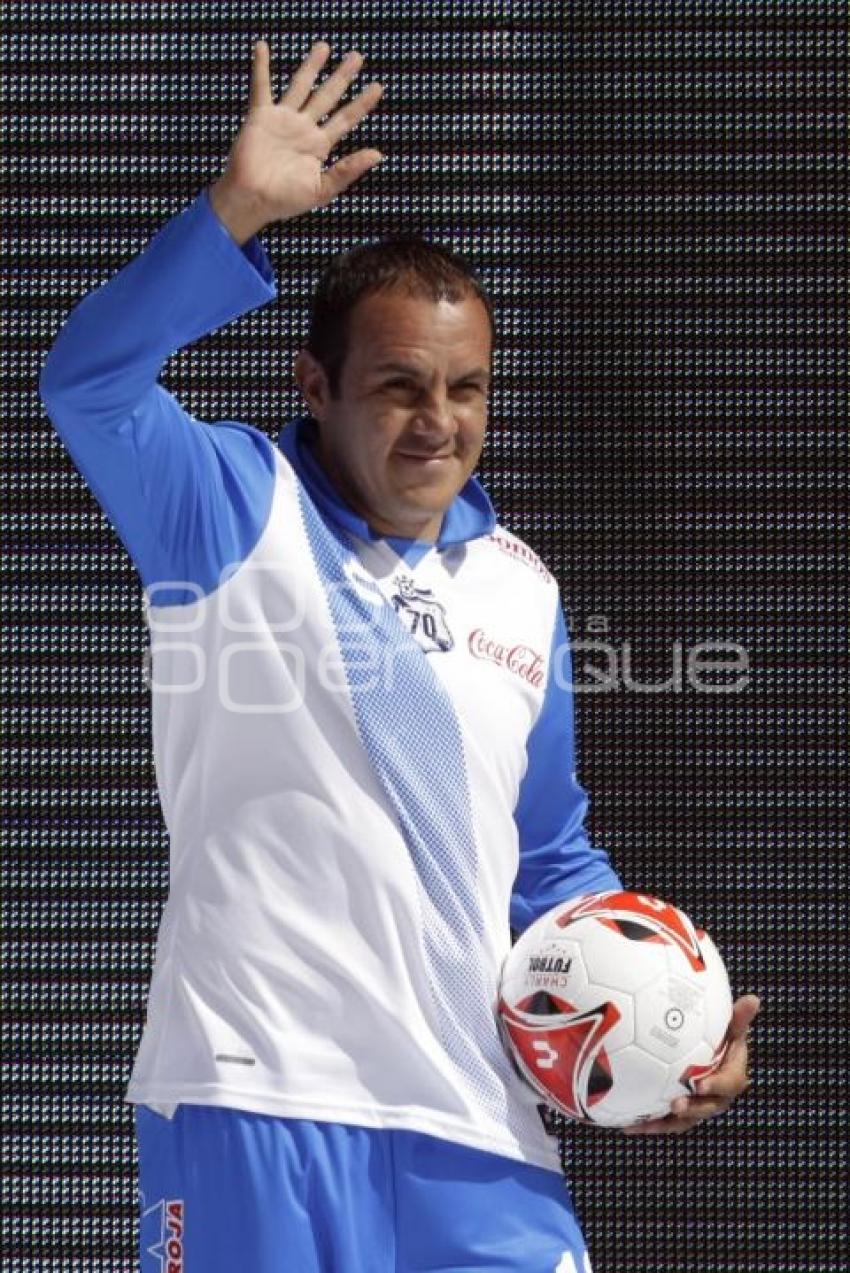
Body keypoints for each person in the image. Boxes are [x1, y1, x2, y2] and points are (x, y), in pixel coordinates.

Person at [39, 39, 759, 1273]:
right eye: (399, 386)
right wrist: (234, 214)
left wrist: (665, 1033)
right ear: (313, 384)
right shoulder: (227, 506)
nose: (440, 422)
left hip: (479, 1127)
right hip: (252, 1101)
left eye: (466, 387)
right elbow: (89, 384)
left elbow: (547, 856)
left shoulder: (522, 588)